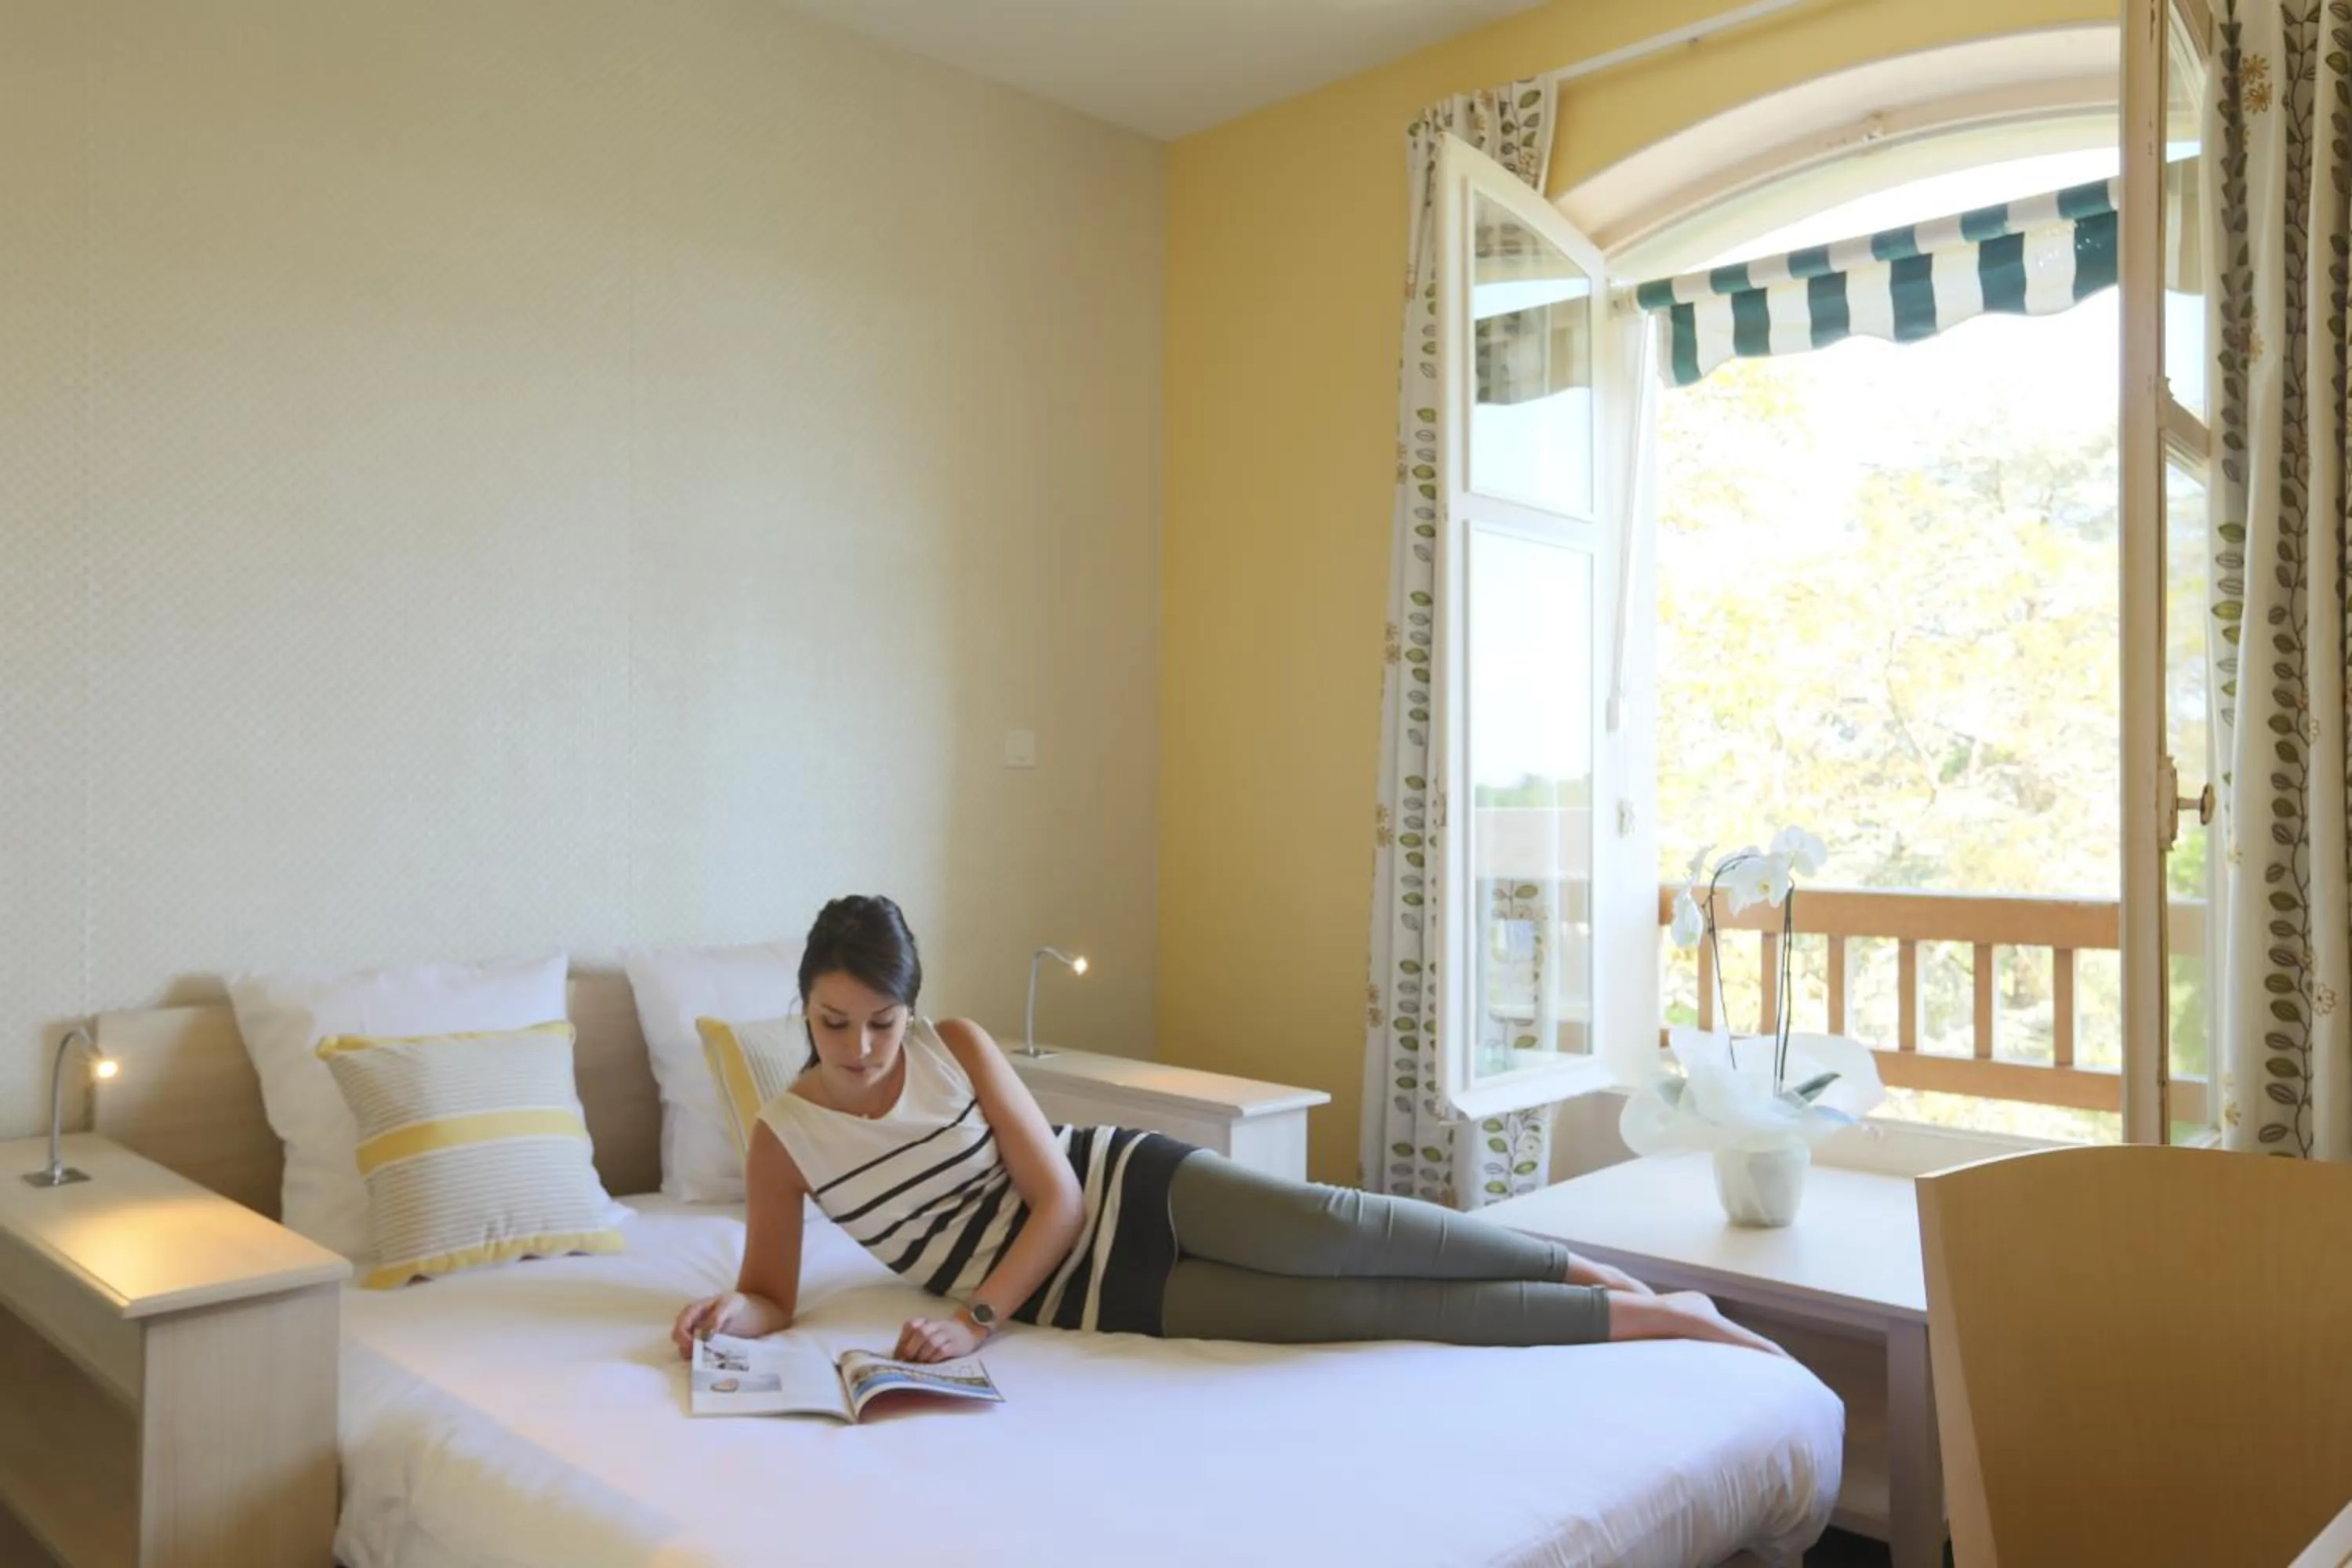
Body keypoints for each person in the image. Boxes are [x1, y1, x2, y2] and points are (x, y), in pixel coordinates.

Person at [672, 895, 1786, 1365]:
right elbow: (773, 1289)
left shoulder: (957, 1044)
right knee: (1340, 1312)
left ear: (911, 1009)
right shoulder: (787, 1137)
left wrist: (973, 1320)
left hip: (1116, 1192)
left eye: (880, 1022)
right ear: (801, 1011)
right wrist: (729, 1313)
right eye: (833, 1025)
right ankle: (1648, 1324)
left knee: (1341, 1228)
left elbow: (1054, 1193)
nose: (859, 1049)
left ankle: (1605, 1274)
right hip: (1091, 1295)